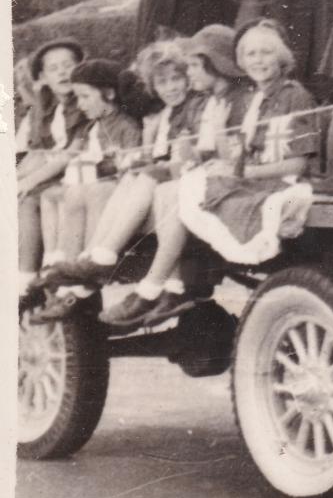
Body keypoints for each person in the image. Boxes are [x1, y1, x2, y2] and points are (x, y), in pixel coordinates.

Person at [102, 21, 318, 328]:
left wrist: (239, 170)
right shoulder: (257, 98)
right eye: (250, 54)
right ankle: (170, 287)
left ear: (281, 57)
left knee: (176, 189)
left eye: (266, 52)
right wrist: (220, 141)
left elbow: (296, 165)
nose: (257, 60)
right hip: (253, 179)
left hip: (279, 184)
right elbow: (237, 158)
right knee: (173, 188)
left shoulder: (294, 96)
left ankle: (152, 288)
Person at [29, 41, 202, 297]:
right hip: (157, 178)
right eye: (162, 83)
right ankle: (84, 258)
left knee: (119, 184)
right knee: (71, 193)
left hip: (174, 180)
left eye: (176, 79)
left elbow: (167, 155)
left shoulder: (179, 111)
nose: (171, 87)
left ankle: (100, 255)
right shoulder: (157, 116)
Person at [31, 61, 149, 318]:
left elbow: (131, 159)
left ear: (108, 94)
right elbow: (75, 154)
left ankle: (86, 270)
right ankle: (62, 265)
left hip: (114, 187)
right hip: (88, 184)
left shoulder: (125, 125)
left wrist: (108, 162)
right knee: (59, 194)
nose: (81, 104)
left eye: (85, 96)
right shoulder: (89, 127)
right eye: (78, 97)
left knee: (91, 192)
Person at [16, 39, 87, 289]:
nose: (62, 72)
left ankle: (25, 277)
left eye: (68, 65)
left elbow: (72, 151)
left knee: (28, 199)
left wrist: (28, 181)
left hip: (80, 172)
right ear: (43, 77)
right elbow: (37, 151)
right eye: (53, 68)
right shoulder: (45, 106)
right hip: (53, 172)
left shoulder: (85, 100)